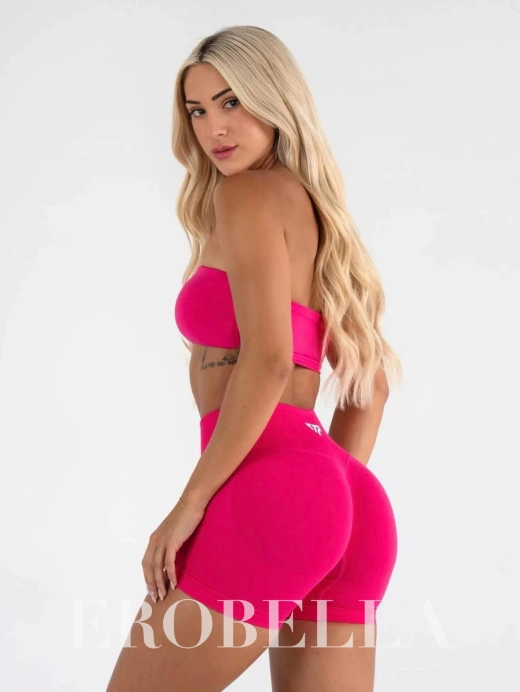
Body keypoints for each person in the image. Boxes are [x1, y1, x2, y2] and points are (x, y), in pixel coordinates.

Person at [106, 24, 403, 692]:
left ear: (275, 97)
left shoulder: (243, 194)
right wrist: (326, 505)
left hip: (275, 484)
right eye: (197, 110)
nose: (214, 127)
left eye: (232, 101)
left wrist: (189, 505)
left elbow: (268, 360)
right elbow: (372, 387)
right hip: (347, 498)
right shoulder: (319, 216)